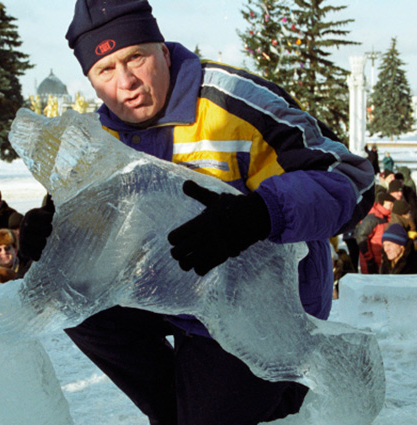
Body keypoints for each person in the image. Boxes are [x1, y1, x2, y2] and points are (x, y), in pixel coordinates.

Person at [19, 2, 374, 424]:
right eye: (106, 70)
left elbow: (353, 180)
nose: (126, 81)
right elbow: (79, 229)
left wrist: (260, 214)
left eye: (136, 57)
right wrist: (46, 242)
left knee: (206, 416)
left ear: (164, 52)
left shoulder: (234, 101)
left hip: (260, 305)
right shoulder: (99, 137)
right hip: (169, 298)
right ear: (91, 81)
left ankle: (282, 384)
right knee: (67, 296)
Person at [354, 192, 394, 274]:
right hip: (372, 262)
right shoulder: (373, 218)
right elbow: (361, 236)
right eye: (389, 204)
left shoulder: (386, 217)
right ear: (382, 203)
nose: (391, 206)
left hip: (381, 260)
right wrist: (369, 260)